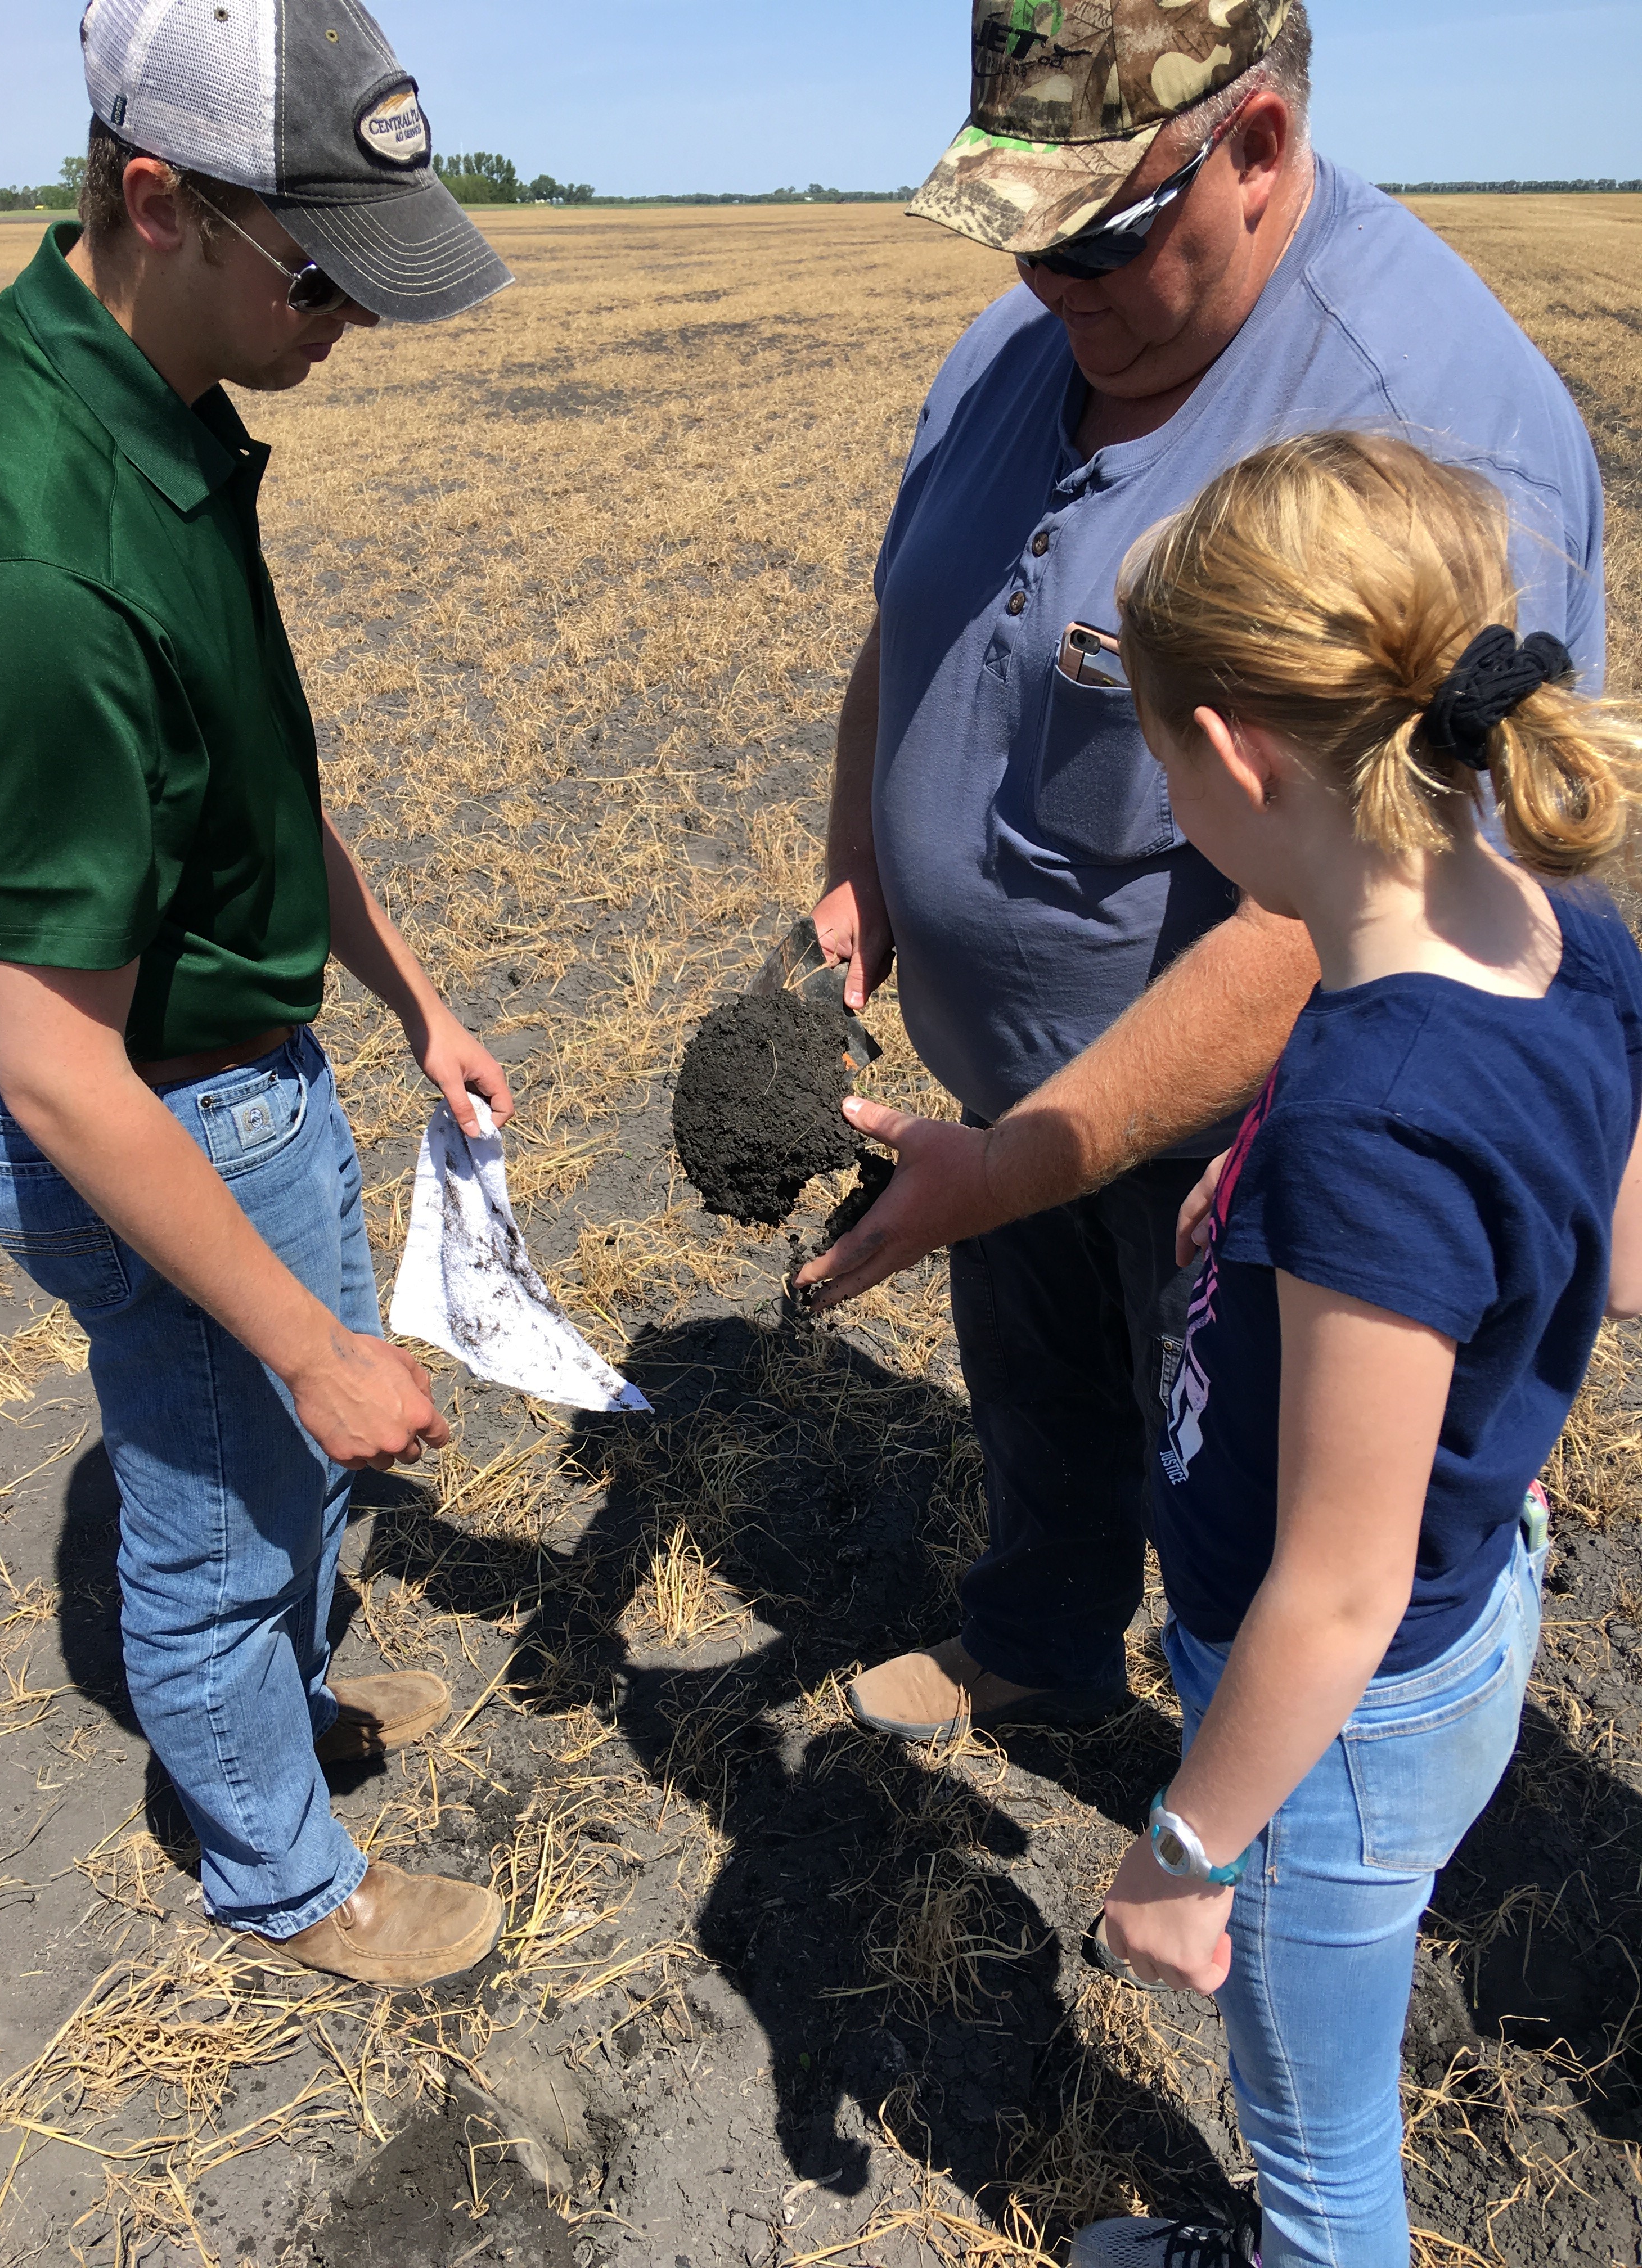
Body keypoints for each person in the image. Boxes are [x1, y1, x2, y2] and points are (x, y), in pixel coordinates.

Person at [795, 0, 1606, 1743]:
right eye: (1019, 231)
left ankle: (1251, 1822)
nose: (1045, 280)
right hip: (1011, 1096)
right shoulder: (1027, 346)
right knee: (1040, 1399)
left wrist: (1019, 1158)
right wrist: (863, 858)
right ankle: (1043, 1645)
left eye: (1098, 229)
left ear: (1256, 147)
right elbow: (911, 618)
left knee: (1275, 1512)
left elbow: (1363, 906)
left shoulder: (1430, 424)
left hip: (1257, 1166)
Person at [0, 0, 519, 1985]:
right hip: (153, 1115)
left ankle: (292, 1718)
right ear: (157, 198)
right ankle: (287, 1875)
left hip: (236, 1061)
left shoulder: (154, 391)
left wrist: (411, 998)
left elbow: (247, 787)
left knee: (282, 1472)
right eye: (324, 269)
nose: (352, 314)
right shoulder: (45, 567)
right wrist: (304, 1339)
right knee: (224, 1508)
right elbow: (50, 1062)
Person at [1058, 431, 1642, 2266]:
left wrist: (1185, 1849)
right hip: (1469, 1615)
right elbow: (1613, 1266)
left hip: (1338, 1724)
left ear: (1235, 754)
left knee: (1320, 2154)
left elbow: (1331, 1587)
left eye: (1161, 755)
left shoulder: (1376, 1121)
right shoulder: (1559, 933)